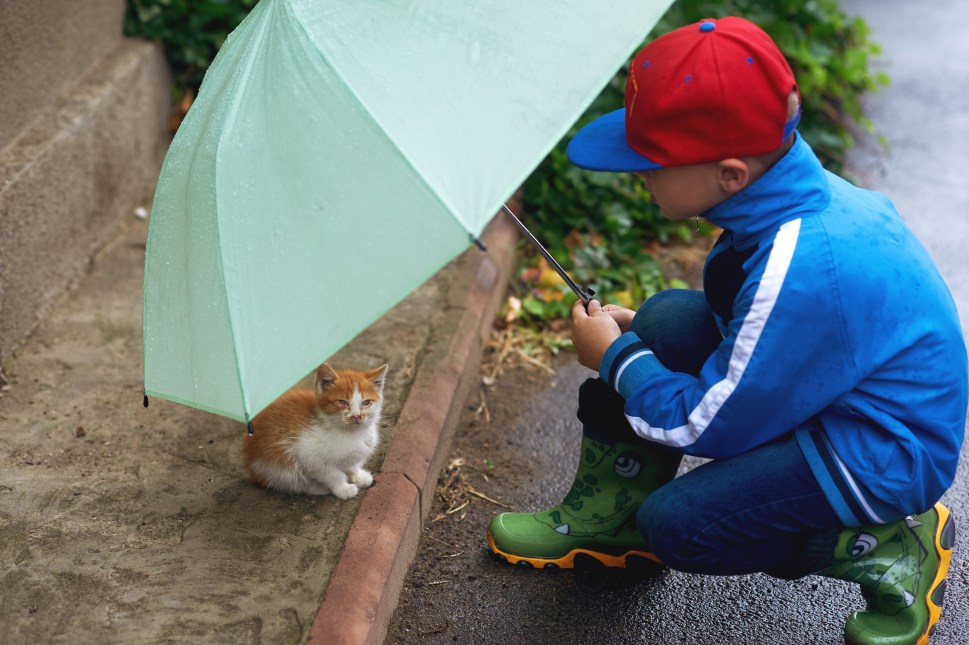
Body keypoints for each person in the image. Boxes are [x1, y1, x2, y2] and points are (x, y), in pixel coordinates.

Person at [487, 16, 967, 645]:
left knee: (682, 526)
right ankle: (612, 516)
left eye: (651, 163)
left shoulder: (802, 264)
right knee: (663, 320)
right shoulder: (781, 197)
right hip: (834, 396)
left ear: (730, 174)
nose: (638, 175)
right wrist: (637, 346)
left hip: (879, 451)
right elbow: (747, 332)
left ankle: (890, 546)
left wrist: (618, 361)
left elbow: (710, 424)